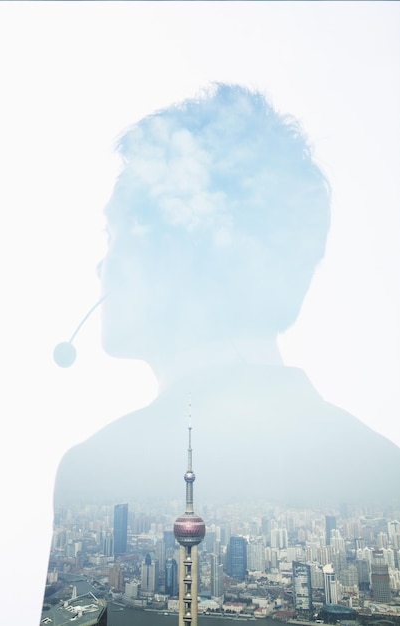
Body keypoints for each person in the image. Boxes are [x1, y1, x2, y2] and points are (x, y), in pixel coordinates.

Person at [54, 83, 400, 509]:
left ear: (169, 252)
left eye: (113, 235)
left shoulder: (101, 472)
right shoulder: (383, 468)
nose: (101, 266)